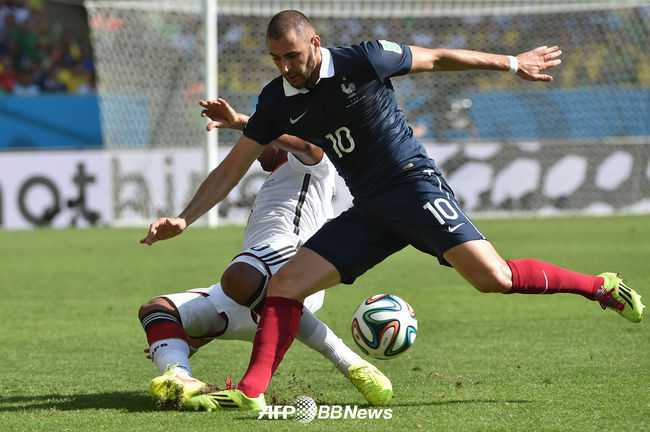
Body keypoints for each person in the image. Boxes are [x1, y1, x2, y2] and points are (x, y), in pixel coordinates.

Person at [142, 10, 645, 411]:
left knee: (495, 278)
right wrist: (185, 218)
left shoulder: (364, 59)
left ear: (314, 42)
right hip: (371, 209)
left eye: (292, 55)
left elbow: (439, 57)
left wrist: (512, 63)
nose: (286, 67)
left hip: (413, 188)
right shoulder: (276, 99)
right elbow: (231, 167)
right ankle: (252, 392)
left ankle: (600, 286)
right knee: (286, 285)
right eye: (276, 59)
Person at [139, 98, 393, 410]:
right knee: (158, 309)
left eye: (264, 138)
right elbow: (226, 173)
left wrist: (244, 122)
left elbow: (308, 146)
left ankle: (351, 364)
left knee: (240, 276)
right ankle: (181, 378)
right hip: (252, 285)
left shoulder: (312, 162)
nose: (257, 149)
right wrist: (183, 220)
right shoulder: (278, 176)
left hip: (291, 265)